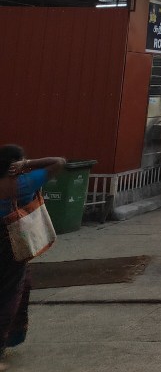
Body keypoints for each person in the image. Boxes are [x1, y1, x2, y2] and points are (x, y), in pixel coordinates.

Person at [0, 147, 65, 368]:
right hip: (12, 245)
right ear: (15, 165)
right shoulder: (24, 183)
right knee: (10, 294)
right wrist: (29, 163)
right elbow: (59, 161)